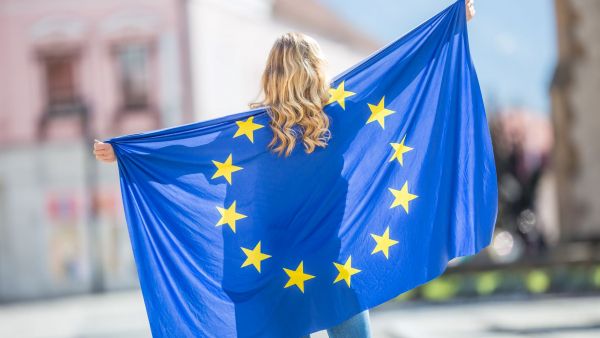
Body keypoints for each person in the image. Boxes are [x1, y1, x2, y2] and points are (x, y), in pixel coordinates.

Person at [93, 1, 476, 336]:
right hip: (332, 270)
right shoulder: (339, 119)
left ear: (271, 76)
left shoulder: (249, 136)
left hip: (273, 278)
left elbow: (190, 153)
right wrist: (450, 28)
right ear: (314, 72)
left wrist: (129, 153)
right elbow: (399, 74)